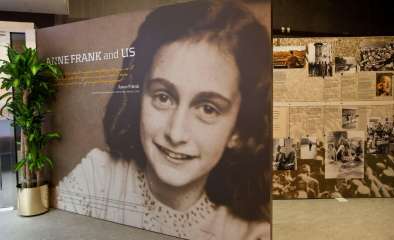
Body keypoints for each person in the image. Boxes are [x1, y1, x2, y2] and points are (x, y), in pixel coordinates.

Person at [54, 1, 271, 239]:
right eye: (163, 97)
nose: (176, 133)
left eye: (208, 109)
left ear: (239, 130)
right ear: (140, 96)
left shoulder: (249, 233)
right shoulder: (98, 175)